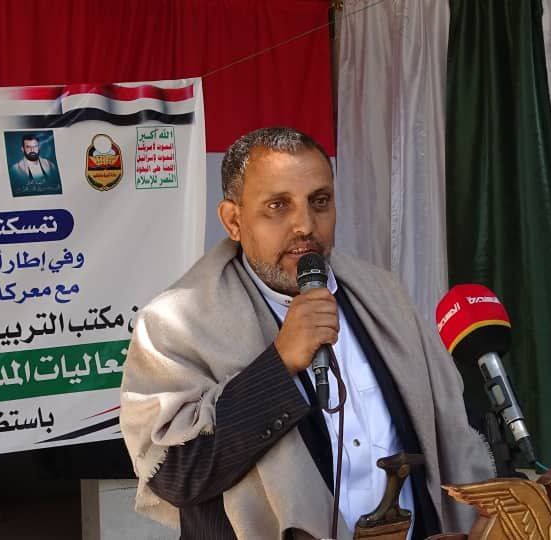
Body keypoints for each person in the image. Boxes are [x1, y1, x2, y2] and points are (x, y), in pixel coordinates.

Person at [120, 127, 494, 539]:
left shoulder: (383, 297)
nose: (304, 225)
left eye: (319, 201)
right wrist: (278, 366)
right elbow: (175, 475)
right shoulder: (175, 324)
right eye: (278, 205)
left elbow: (454, 426)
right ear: (233, 220)